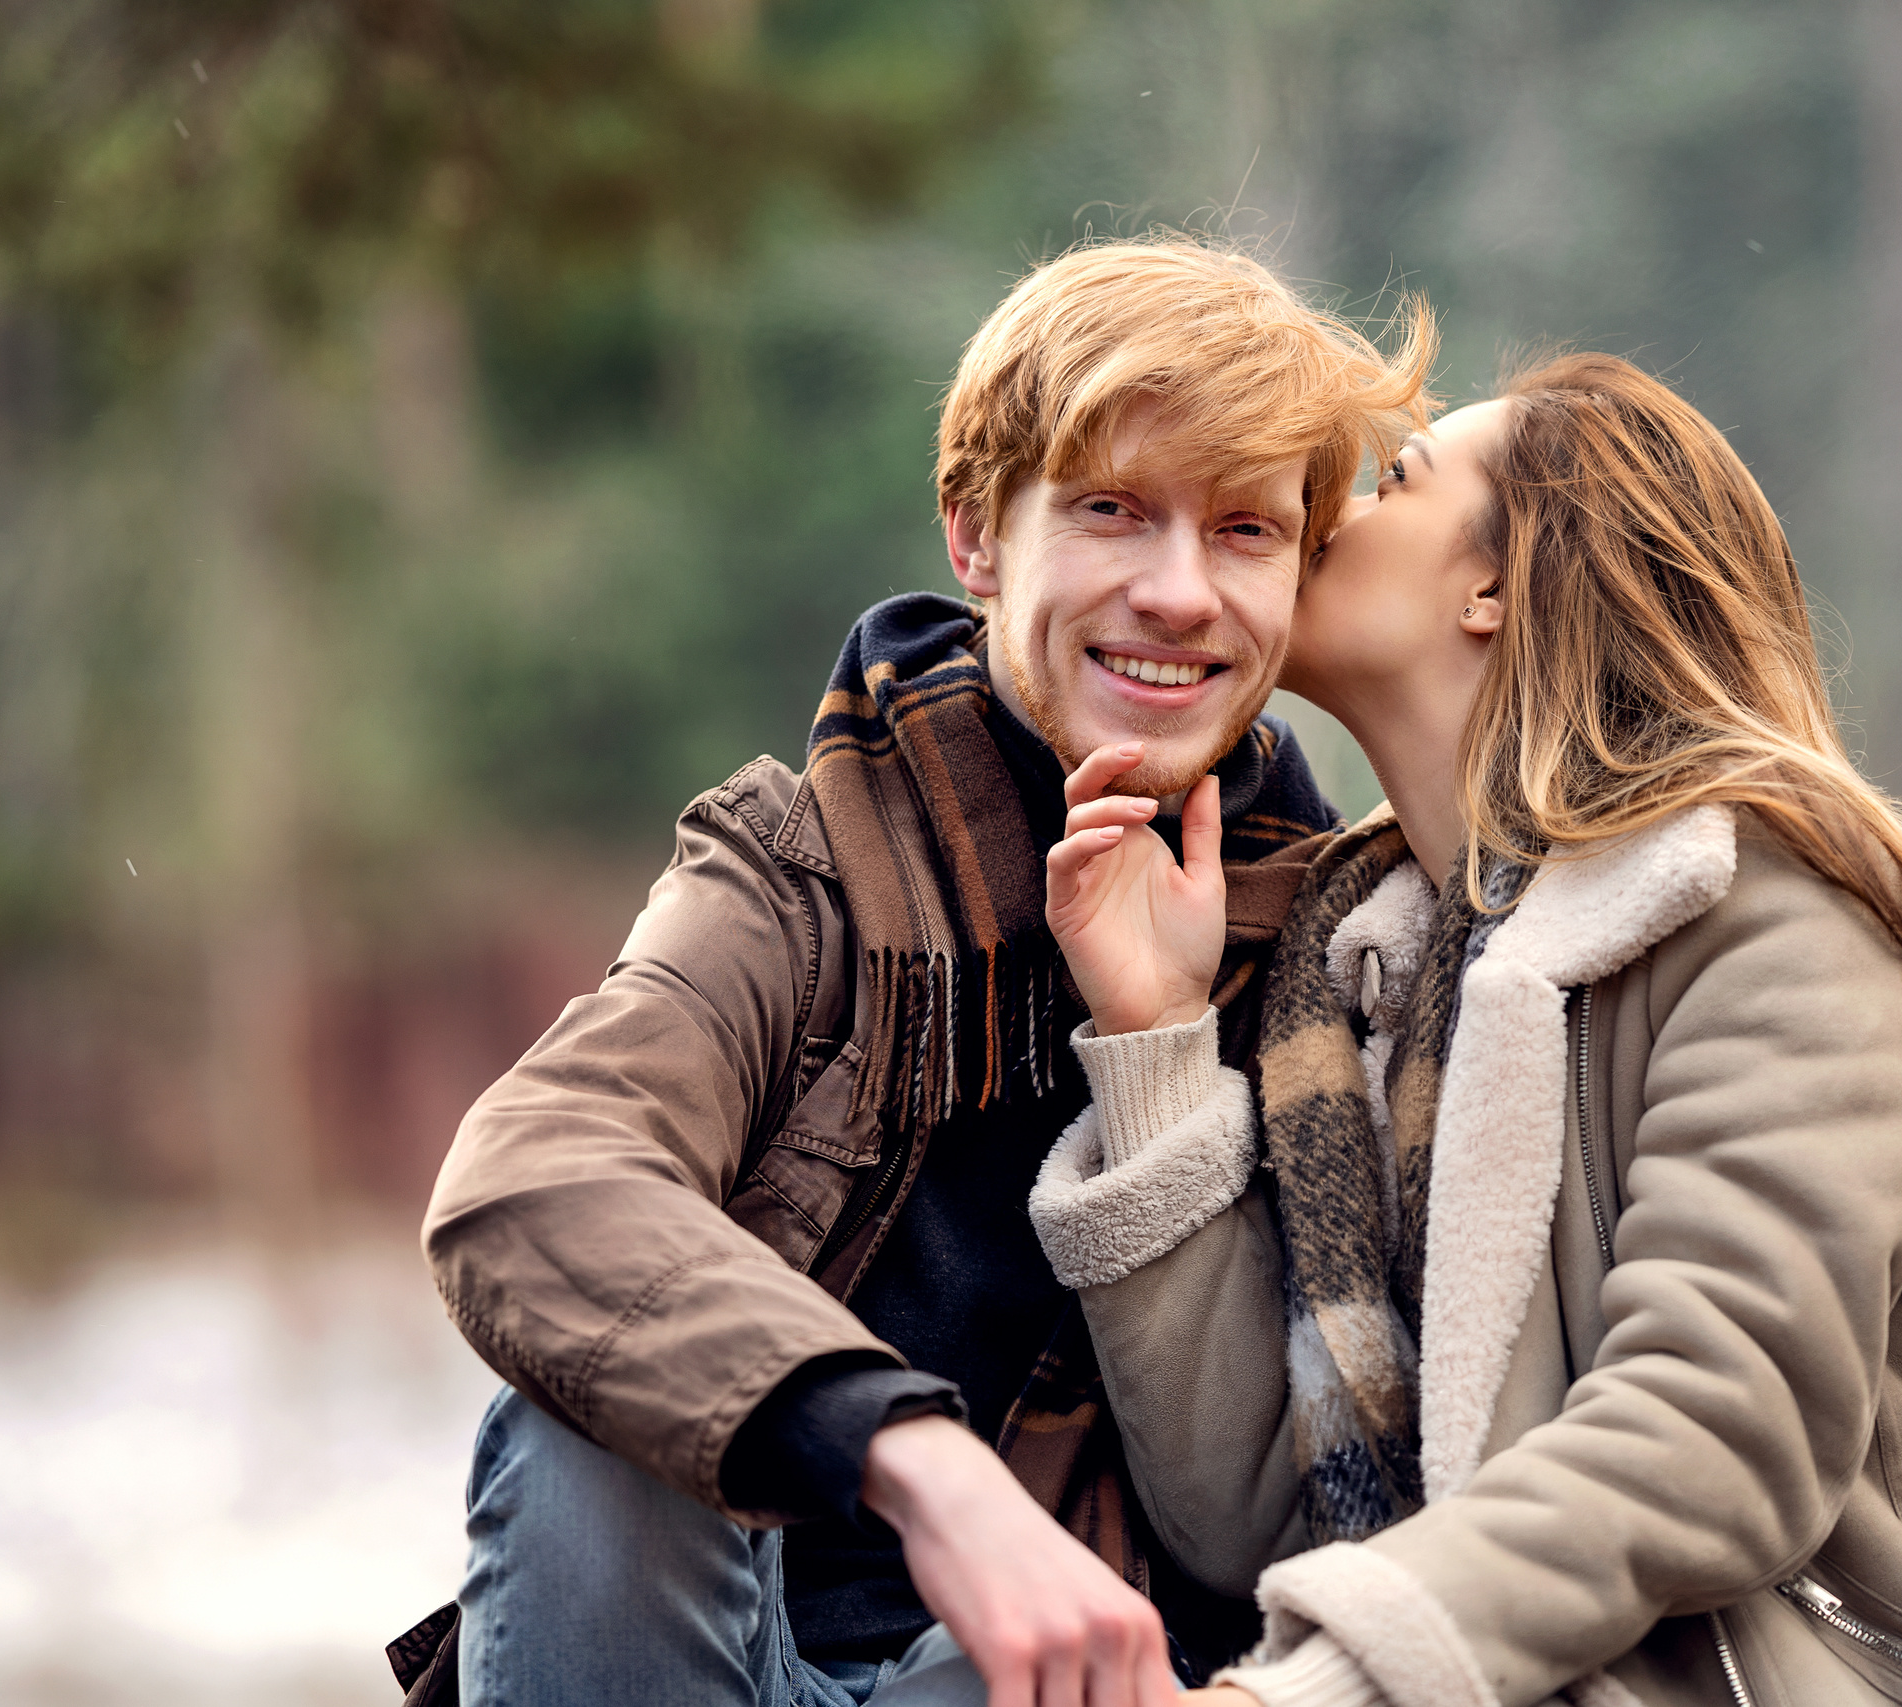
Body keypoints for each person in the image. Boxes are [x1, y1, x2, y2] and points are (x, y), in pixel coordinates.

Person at [1032, 351, 1902, 1707]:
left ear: (1494, 588)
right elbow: (1268, 1514)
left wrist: (1306, 1696)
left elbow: (1717, 1432)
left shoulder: (1772, 924)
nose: (1331, 515)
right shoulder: (1361, 979)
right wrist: (1155, 1039)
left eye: (1396, 481)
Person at [396, 234, 1434, 1707]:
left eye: (1246, 531)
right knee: (594, 1423)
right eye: (1112, 511)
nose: (1179, 592)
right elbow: (535, 1176)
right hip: (702, 1638)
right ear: (976, 538)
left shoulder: (1348, 953)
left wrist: (1159, 1047)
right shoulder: (800, 869)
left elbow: (1300, 1510)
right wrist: (914, 1460)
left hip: (1046, 1676)